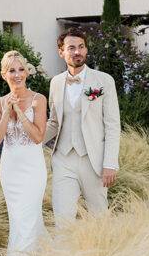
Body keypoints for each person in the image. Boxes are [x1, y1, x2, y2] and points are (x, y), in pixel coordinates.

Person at [43, 28, 121, 227]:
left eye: (81, 47)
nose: (77, 52)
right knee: (62, 220)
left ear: (86, 50)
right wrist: (30, 141)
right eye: (71, 48)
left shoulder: (104, 81)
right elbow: (53, 122)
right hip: (63, 160)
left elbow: (112, 125)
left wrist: (110, 164)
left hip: (93, 161)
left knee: (99, 219)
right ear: (61, 52)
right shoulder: (56, 83)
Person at [0, 50, 49, 256]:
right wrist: (7, 111)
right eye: (11, 70)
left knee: (26, 217)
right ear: (3, 74)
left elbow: (37, 136)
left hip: (33, 170)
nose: (17, 74)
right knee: (19, 220)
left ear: (27, 72)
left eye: (21, 69)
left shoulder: (38, 99)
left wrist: (20, 112)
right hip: (10, 171)